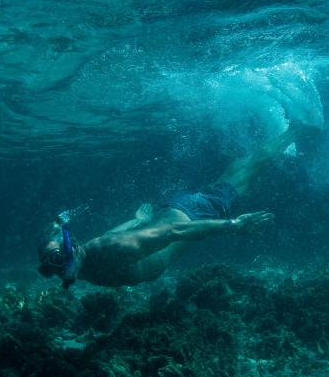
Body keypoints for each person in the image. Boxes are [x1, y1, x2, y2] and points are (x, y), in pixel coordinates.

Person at [38, 123, 304, 288]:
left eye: (60, 256)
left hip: (188, 214)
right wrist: (137, 221)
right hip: (170, 214)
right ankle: (289, 133)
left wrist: (234, 225)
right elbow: (112, 236)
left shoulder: (107, 251)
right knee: (237, 178)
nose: (60, 268)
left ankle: (295, 130)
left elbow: (174, 231)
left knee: (242, 173)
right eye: (54, 266)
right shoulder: (86, 263)